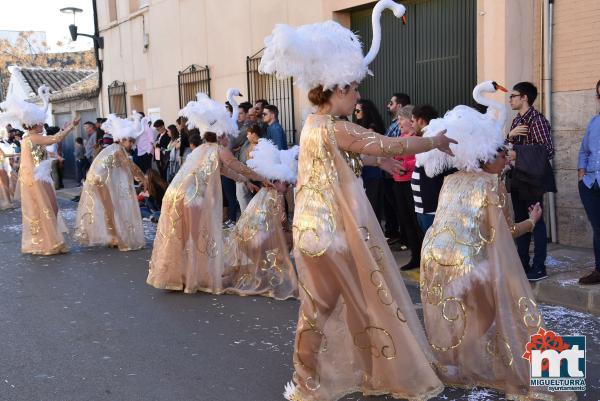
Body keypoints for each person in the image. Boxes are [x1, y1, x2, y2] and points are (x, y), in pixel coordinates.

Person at [259, 6, 457, 400]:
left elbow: (347, 157)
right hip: (333, 233)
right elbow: (394, 143)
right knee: (363, 303)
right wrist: (434, 141)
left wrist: (373, 160)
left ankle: (313, 379)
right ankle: (367, 374)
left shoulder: (313, 125)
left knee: (323, 307)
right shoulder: (338, 127)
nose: (358, 95)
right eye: (352, 88)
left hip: (312, 231)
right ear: (335, 90)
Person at [417, 86, 574, 400]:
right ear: (487, 158)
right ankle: (469, 365)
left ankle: (455, 363)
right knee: (496, 312)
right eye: (503, 154)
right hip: (468, 260)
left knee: (463, 311)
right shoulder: (492, 185)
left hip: (433, 255)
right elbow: (503, 233)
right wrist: (532, 221)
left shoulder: (451, 179)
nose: (508, 159)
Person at [146, 93, 266, 294]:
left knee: (183, 237)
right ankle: (194, 278)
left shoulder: (202, 150)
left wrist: (246, 182)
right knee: (196, 237)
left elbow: (226, 170)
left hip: (177, 195)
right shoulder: (218, 149)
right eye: (227, 134)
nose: (228, 137)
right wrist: (260, 177)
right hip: (191, 198)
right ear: (220, 134)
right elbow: (235, 164)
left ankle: (182, 276)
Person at [0, 85, 80, 255]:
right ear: (34, 123)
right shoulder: (34, 137)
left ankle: (45, 240)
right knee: (47, 208)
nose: (42, 123)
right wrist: (71, 126)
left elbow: (42, 149)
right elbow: (55, 139)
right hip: (37, 179)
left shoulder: (28, 137)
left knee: (46, 208)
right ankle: (48, 242)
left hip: (37, 178)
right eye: (40, 122)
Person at [223, 138, 299, 300]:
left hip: (245, 239)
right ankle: (272, 272)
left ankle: (262, 270)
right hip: (258, 241)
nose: (287, 189)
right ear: (277, 181)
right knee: (289, 236)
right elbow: (281, 221)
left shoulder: (262, 193)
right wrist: (290, 228)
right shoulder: (277, 197)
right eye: (286, 185)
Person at [74, 113, 146, 251]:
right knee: (111, 209)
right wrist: (143, 178)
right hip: (99, 181)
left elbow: (127, 168)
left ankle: (113, 236)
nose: (131, 145)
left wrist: (141, 178)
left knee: (109, 209)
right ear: (122, 139)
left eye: (132, 142)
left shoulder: (114, 149)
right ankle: (116, 237)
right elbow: (131, 167)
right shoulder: (118, 150)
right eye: (130, 141)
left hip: (97, 180)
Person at [507, 81, 556, 281]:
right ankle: (522, 264)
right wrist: (509, 136)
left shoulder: (537, 120)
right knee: (521, 221)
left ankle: (539, 267)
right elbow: (505, 149)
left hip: (534, 179)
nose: (510, 99)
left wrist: (517, 154)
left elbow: (548, 150)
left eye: (513, 95)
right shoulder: (516, 121)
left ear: (524, 97)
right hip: (517, 178)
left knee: (536, 221)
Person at [410, 104, 455, 233]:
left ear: (421, 121)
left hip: (432, 209)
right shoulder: (427, 139)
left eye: (413, 121)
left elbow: (432, 172)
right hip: (424, 208)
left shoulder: (434, 140)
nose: (412, 125)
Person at [392, 105, 424, 270]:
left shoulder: (419, 136)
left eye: (400, 119)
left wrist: (404, 164)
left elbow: (420, 158)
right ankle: (415, 256)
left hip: (411, 182)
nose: (398, 123)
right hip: (398, 182)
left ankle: (422, 256)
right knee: (406, 221)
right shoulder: (402, 136)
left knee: (415, 220)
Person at [577, 79, 600, 285]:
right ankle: (599, 270)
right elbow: (584, 151)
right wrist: (581, 176)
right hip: (591, 184)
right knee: (598, 227)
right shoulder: (594, 122)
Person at [382, 92, 411, 246]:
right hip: (395, 174)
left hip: (402, 175)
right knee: (399, 210)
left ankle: (407, 240)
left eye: (391, 102)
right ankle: (404, 238)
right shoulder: (395, 125)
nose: (388, 105)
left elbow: (398, 148)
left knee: (406, 212)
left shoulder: (406, 131)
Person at [353, 99, 384, 223]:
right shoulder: (364, 127)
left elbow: (366, 152)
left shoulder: (371, 129)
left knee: (370, 209)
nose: (355, 113)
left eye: (358, 110)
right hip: (367, 172)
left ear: (365, 111)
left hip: (371, 172)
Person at [235, 124, 263, 211]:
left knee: (247, 201)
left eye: (248, 134)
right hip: (247, 175)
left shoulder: (261, 145)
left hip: (254, 177)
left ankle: (247, 220)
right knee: (243, 199)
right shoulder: (248, 144)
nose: (247, 136)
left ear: (254, 134)